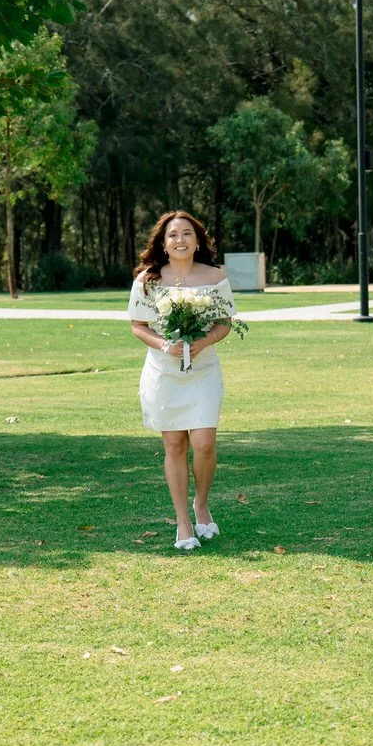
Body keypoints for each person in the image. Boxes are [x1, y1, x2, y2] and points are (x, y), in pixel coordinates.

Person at [126, 211, 236, 551]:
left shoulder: (215, 275)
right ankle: (183, 522)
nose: (180, 240)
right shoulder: (149, 278)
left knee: (203, 442)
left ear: (197, 240)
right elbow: (137, 325)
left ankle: (201, 505)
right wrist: (165, 345)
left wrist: (202, 343)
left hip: (203, 369)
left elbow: (225, 322)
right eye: (173, 235)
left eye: (187, 233)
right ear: (163, 242)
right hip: (164, 371)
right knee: (174, 445)